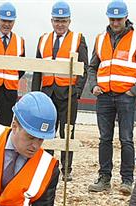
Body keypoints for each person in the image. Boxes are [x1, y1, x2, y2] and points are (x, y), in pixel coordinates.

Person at [86, 0, 136, 195]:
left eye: (119, 19)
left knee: (126, 139)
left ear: (126, 17)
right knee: (104, 138)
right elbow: (92, 67)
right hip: (104, 96)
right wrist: (94, 85)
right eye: (112, 19)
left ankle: (127, 180)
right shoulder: (100, 39)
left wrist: (134, 91)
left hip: (126, 97)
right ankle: (104, 178)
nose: (115, 23)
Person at [31, 1, 88, 182]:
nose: (60, 24)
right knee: (47, 131)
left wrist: (77, 91)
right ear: (51, 21)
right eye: (57, 20)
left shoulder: (78, 39)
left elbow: (83, 67)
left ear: (69, 21)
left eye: (63, 21)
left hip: (68, 94)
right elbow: (37, 69)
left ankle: (66, 169)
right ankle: (47, 165)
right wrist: (36, 94)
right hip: (47, 94)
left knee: (67, 132)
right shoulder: (43, 39)